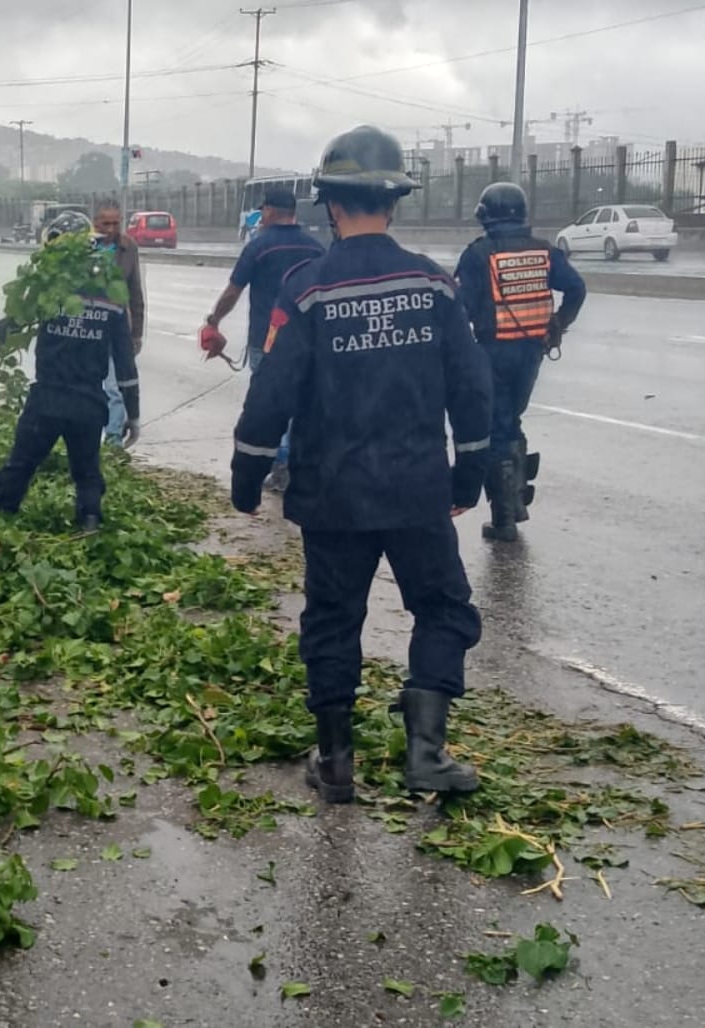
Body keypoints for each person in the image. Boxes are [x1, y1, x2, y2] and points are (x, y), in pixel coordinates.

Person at [229, 125, 493, 805]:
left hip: (333, 494)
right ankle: (426, 753)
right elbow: (471, 389)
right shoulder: (432, 283)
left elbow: (271, 391)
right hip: (415, 492)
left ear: (331, 205)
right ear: (395, 202)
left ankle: (337, 761)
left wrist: (248, 475)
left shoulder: (307, 288)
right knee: (442, 611)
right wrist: (469, 475)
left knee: (332, 619)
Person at [0, 231, 142, 532]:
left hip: (46, 402)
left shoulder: (46, 295)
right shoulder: (112, 303)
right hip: (88, 405)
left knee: (19, 466)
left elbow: (10, 324)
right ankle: (90, 526)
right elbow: (126, 365)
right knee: (87, 473)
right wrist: (133, 415)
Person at [455, 182, 587, 543]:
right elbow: (577, 289)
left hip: (492, 352)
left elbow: (460, 308)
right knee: (511, 420)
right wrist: (558, 324)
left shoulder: (477, 254)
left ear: (484, 214)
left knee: (496, 427)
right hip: (532, 351)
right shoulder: (544, 251)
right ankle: (516, 502)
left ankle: (504, 519)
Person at [202, 186, 326, 492]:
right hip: (309, 341)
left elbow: (233, 291)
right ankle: (301, 464)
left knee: (272, 405)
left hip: (267, 341)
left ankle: (282, 466)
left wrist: (214, 320)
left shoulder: (259, 246)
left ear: (269, 210)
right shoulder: (315, 248)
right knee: (303, 403)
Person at [92, 199, 145, 444]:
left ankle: (113, 441)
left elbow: (135, 292)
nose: (111, 229)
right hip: (90, 327)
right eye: (106, 224)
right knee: (94, 387)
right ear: (96, 223)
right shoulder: (84, 248)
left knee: (115, 388)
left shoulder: (128, 248)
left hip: (118, 327)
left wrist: (137, 334)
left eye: (116, 223)